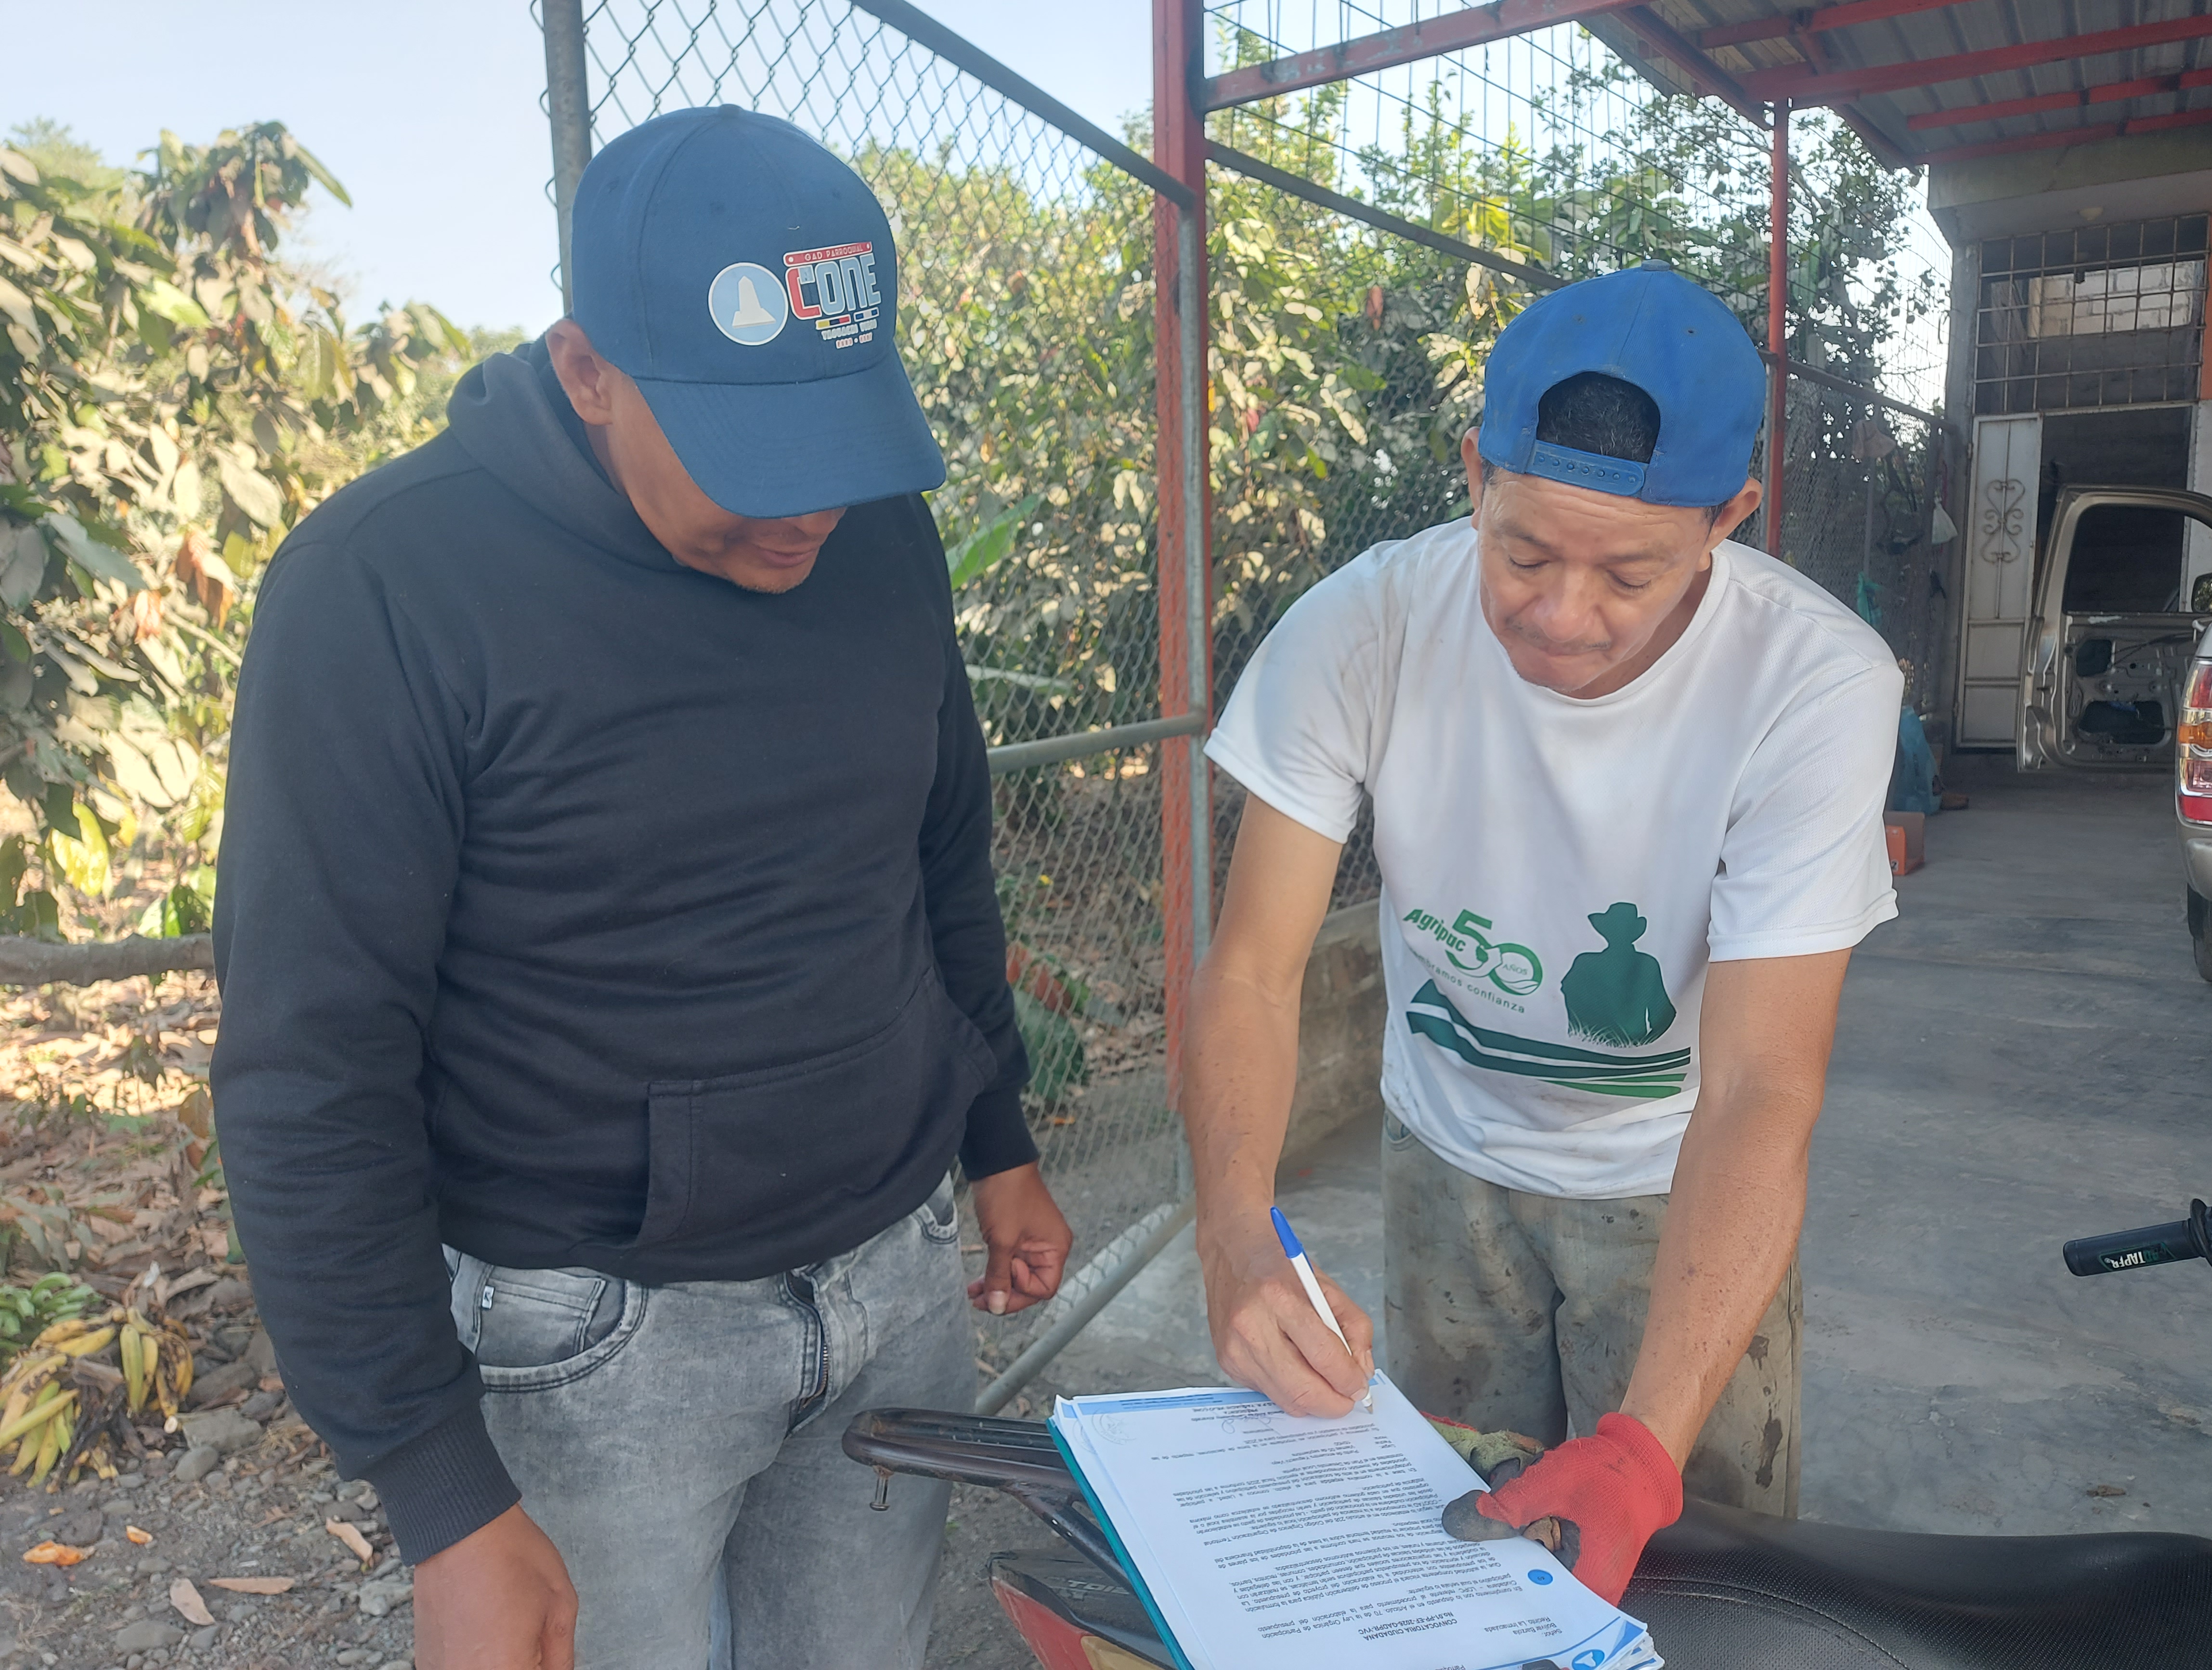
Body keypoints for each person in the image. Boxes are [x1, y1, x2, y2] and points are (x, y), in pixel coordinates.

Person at [211, 106, 1071, 1670]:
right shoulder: (385, 589)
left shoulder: (879, 539)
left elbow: (937, 851)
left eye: (838, 445)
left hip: (897, 1276)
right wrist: (442, 1496)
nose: (809, 511)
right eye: (758, 458)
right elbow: (309, 1065)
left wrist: (994, 1134)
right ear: (587, 370)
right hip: (599, 1354)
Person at [1182, 261, 1900, 1605]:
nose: (1563, 617)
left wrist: (1642, 1444)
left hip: (1676, 1181)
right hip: (1442, 1160)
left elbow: (1761, 1087)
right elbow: (1253, 973)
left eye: (1629, 571)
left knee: (1692, 1578)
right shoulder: (1366, 626)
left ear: (1729, 518)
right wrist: (1233, 1233)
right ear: (1473, 476)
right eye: (1522, 554)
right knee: (1448, 1558)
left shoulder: (1814, 683)